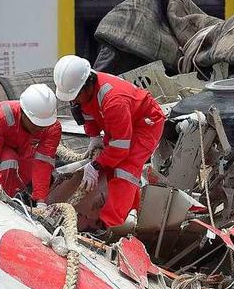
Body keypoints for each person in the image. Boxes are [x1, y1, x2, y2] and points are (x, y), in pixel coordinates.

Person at [53, 55, 165, 230]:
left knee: (124, 170)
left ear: (86, 85)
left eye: (74, 96)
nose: (72, 102)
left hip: (145, 124)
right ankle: (131, 209)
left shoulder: (114, 102)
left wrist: (96, 166)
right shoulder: (88, 89)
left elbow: (120, 149)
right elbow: (88, 113)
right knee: (109, 165)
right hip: (124, 120)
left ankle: (110, 226)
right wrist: (94, 137)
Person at [0, 84, 61, 208]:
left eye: (43, 125)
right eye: (36, 124)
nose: (39, 129)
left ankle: (16, 196)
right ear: (23, 113)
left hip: (22, 147)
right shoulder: (0, 117)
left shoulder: (51, 127)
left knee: (27, 172)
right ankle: (6, 201)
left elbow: (43, 163)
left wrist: (40, 200)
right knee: (9, 159)